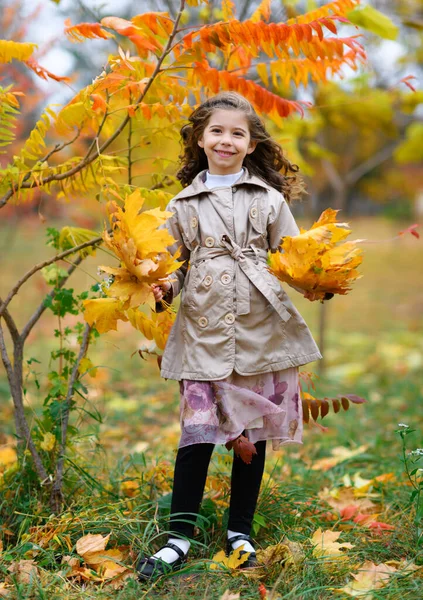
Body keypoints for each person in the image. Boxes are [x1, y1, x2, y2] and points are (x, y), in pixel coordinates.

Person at [136, 91, 322, 580]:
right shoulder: (182, 205)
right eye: (217, 130)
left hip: (261, 329)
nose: (226, 139)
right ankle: (179, 536)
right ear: (200, 138)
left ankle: (240, 530)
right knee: (196, 434)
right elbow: (172, 266)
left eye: (237, 132)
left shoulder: (269, 199)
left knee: (251, 436)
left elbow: (293, 257)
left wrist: (316, 277)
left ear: (252, 142)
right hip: (203, 331)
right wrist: (163, 288)